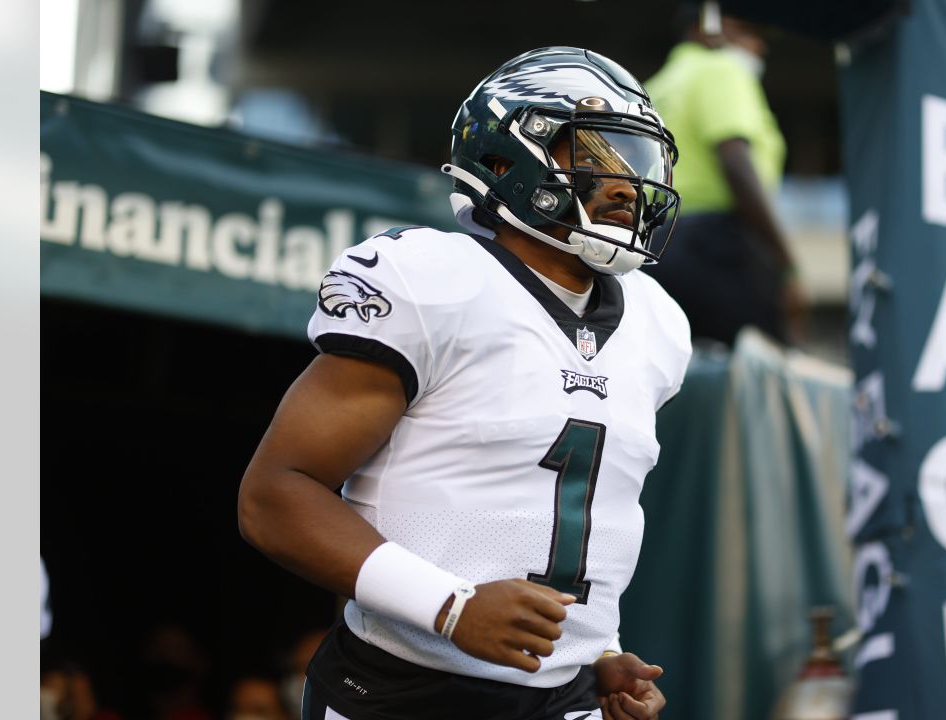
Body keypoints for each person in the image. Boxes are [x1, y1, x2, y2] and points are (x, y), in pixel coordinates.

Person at [238, 46, 691, 720]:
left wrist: (596, 653)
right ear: (506, 159)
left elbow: (577, 517)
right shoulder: (432, 280)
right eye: (594, 158)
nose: (626, 185)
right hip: (402, 692)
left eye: (635, 163)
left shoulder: (659, 321)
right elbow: (275, 495)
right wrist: (450, 607)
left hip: (564, 703)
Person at [642, 1, 806, 347]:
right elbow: (734, 161)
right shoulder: (721, 69)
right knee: (752, 379)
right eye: (747, 31)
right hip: (717, 248)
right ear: (708, 26)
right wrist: (785, 262)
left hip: (655, 247)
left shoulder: (652, 89)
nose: (758, 46)